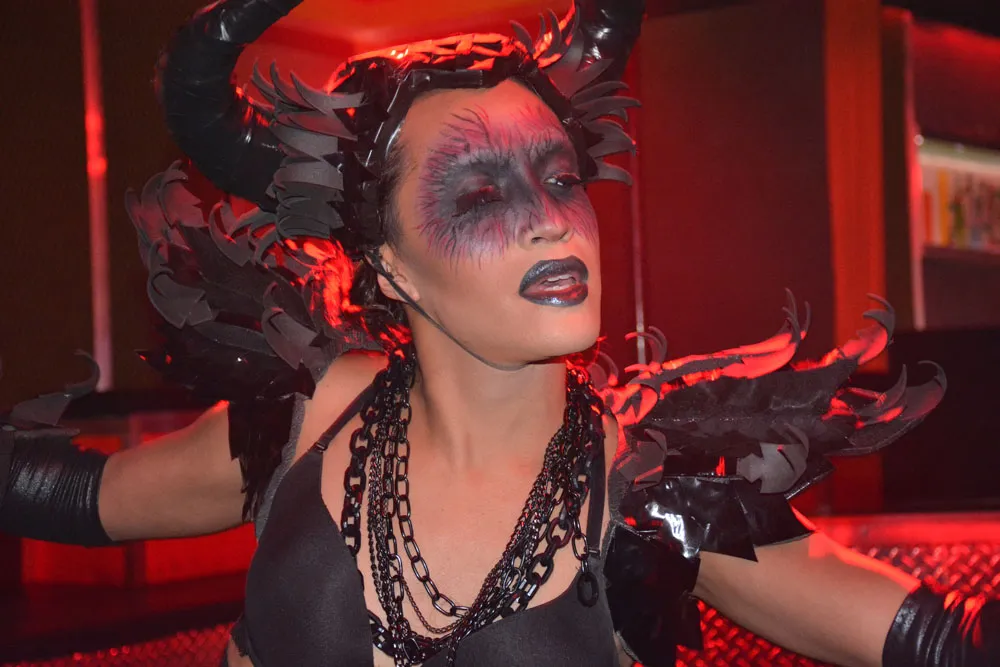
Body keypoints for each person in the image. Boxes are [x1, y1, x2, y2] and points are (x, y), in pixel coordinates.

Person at [0, 1, 996, 665]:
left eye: (559, 177)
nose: (550, 220)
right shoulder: (299, 422)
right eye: (477, 194)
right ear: (390, 267)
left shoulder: (649, 493)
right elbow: (80, 496)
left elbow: (936, 636)